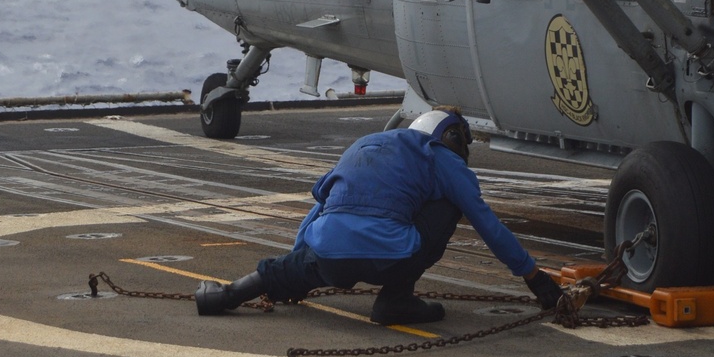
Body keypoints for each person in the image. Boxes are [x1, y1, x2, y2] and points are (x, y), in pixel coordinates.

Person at [195, 108, 564, 326]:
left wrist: (298, 267)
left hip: (327, 256)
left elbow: (319, 205)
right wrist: (533, 276)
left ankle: (222, 296)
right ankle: (396, 299)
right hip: (392, 255)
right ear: (451, 137)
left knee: (294, 259)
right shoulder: (440, 156)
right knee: (453, 203)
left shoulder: (364, 143)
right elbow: (488, 224)